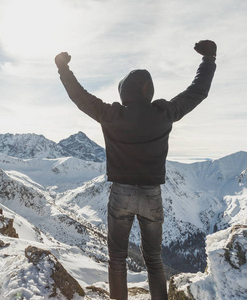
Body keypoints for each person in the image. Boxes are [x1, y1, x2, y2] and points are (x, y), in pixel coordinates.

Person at [55, 40, 217, 300]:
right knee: (154, 260)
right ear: (148, 91)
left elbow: (80, 96)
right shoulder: (165, 112)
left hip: (121, 195)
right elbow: (197, 91)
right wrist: (208, 59)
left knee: (117, 259)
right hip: (152, 195)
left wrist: (64, 69)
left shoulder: (111, 115)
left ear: (124, 92)